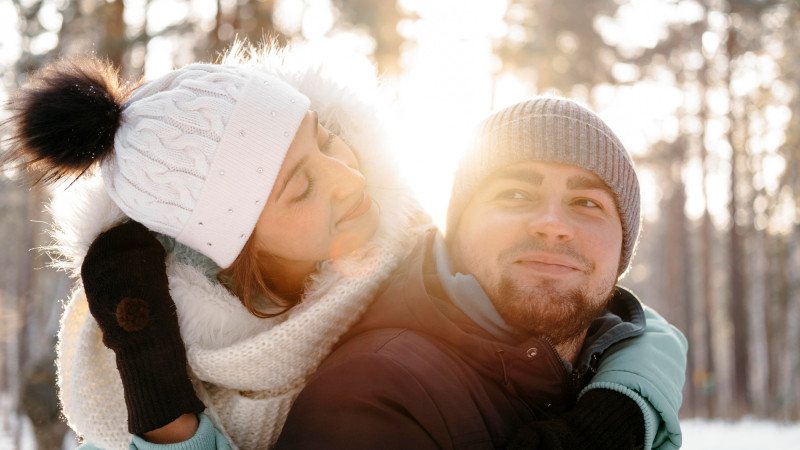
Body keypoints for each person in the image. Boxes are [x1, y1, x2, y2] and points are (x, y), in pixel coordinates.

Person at [4, 47, 685, 449]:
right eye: (301, 188)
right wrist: (167, 414)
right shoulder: (313, 379)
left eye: (326, 142)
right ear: (242, 252)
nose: (350, 178)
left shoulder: (402, 235)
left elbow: (619, 315)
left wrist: (623, 404)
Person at [273, 97, 688, 449]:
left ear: (622, 249)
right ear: (456, 229)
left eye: (586, 203)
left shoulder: (614, 367)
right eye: (515, 194)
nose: (552, 223)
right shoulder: (370, 393)